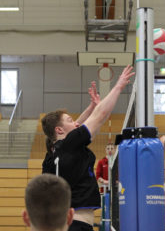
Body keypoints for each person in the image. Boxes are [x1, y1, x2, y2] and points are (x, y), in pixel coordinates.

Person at [41, 65, 134, 231]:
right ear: (59, 130)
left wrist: (92, 107)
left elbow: (77, 126)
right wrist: (119, 86)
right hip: (76, 225)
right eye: (70, 120)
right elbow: (100, 116)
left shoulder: (51, 156)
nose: (76, 122)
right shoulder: (70, 144)